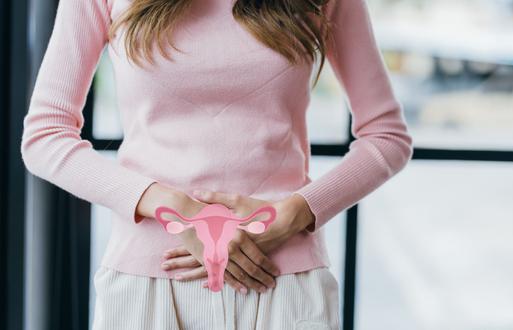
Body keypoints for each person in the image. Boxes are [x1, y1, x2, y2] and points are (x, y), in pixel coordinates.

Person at [20, 0, 413, 328]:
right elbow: (45, 134)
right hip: (148, 283)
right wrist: (176, 208)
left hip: (284, 281)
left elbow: (387, 136)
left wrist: (293, 214)